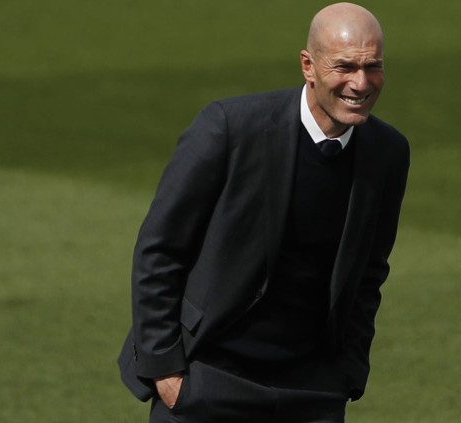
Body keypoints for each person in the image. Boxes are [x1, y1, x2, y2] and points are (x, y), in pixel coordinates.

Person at [117, 2, 410, 422]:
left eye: (373, 66)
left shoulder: (388, 152)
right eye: (345, 66)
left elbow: (369, 272)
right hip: (209, 378)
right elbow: (160, 249)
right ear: (308, 66)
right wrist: (166, 371)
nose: (361, 83)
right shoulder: (229, 128)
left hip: (312, 392)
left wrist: (347, 374)